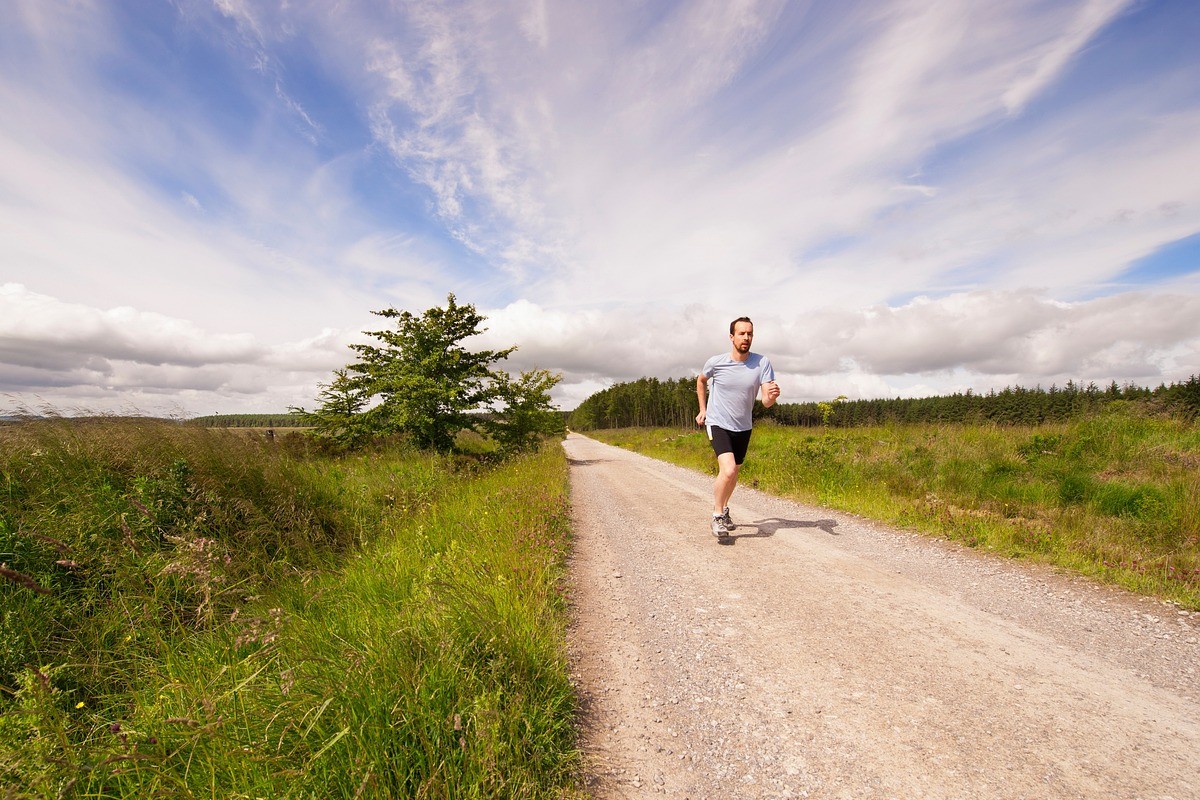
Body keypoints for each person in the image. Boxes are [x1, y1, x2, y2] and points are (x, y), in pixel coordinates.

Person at [695, 316, 780, 537]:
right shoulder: (717, 362)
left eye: (750, 333)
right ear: (732, 337)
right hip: (718, 422)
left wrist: (772, 397)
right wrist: (703, 410)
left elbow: (766, 402)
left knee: (734, 475)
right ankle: (716, 516)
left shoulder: (762, 363)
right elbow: (701, 380)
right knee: (729, 469)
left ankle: (724, 510)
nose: (746, 337)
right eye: (742, 333)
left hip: (743, 426)